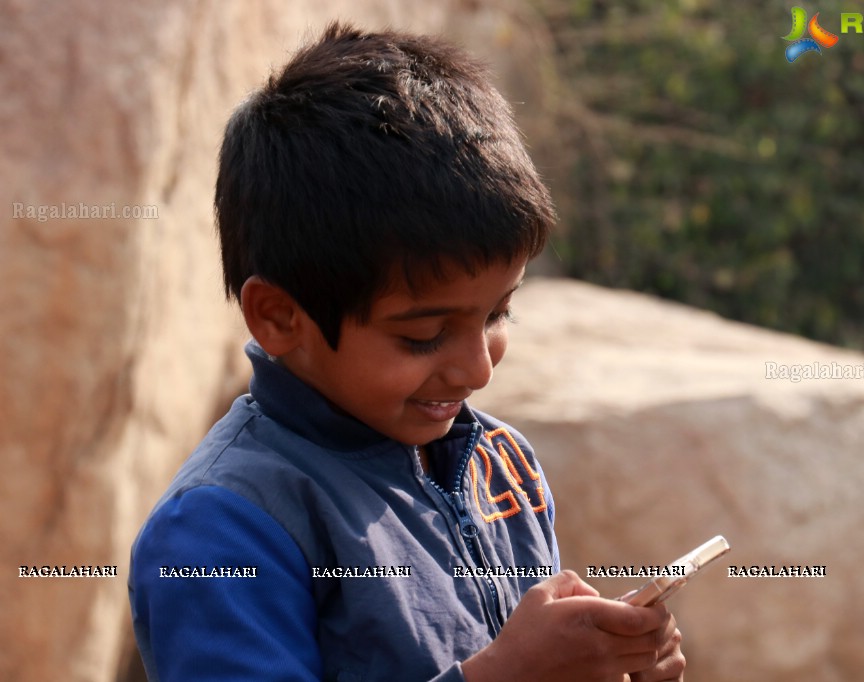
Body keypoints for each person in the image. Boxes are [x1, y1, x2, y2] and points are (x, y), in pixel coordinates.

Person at [128, 21, 685, 682]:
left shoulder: (499, 465)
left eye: (498, 312)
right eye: (422, 336)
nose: (477, 368)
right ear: (280, 316)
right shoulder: (221, 529)